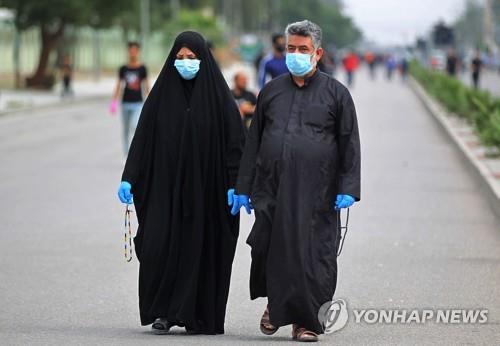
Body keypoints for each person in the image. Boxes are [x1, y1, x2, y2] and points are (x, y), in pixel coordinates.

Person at [229, 20, 361, 342]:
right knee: (271, 249)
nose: (296, 54)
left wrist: (348, 188)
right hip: (271, 189)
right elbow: (254, 142)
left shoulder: (337, 95)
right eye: (291, 49)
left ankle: (306, 322)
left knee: (313, 256)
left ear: (318, 53)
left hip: (318, 193)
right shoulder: (272, 92)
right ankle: (276, 306)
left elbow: (350, 144)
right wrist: (243, 187)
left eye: (303, 50)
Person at [117, 31, 245, 335]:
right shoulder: (160, 98)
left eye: (192, 58)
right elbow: (142, 140)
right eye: (180, 58)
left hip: (208, 192)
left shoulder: (220, 100)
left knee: (200, 249)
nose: (185, 63)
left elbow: (236, 144)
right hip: (165, 190)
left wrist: (235, 183)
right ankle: (163, 311)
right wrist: (129, 177)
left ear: (204, 59)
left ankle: (196, 314)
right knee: (159, 244)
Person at [110, 41, 150, 155]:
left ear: (138, 52)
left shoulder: (142, 68)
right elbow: (118, 85)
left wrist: (152, 101)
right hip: (125, 103)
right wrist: (114, 102)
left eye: (135, 51)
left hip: (138, 103)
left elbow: (147, 86)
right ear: (128, 52)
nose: (132, 53)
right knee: (126, 129)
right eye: (130, 50)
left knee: (134, 126)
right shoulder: (123, 68)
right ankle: (126, 154)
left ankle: (136, 152)